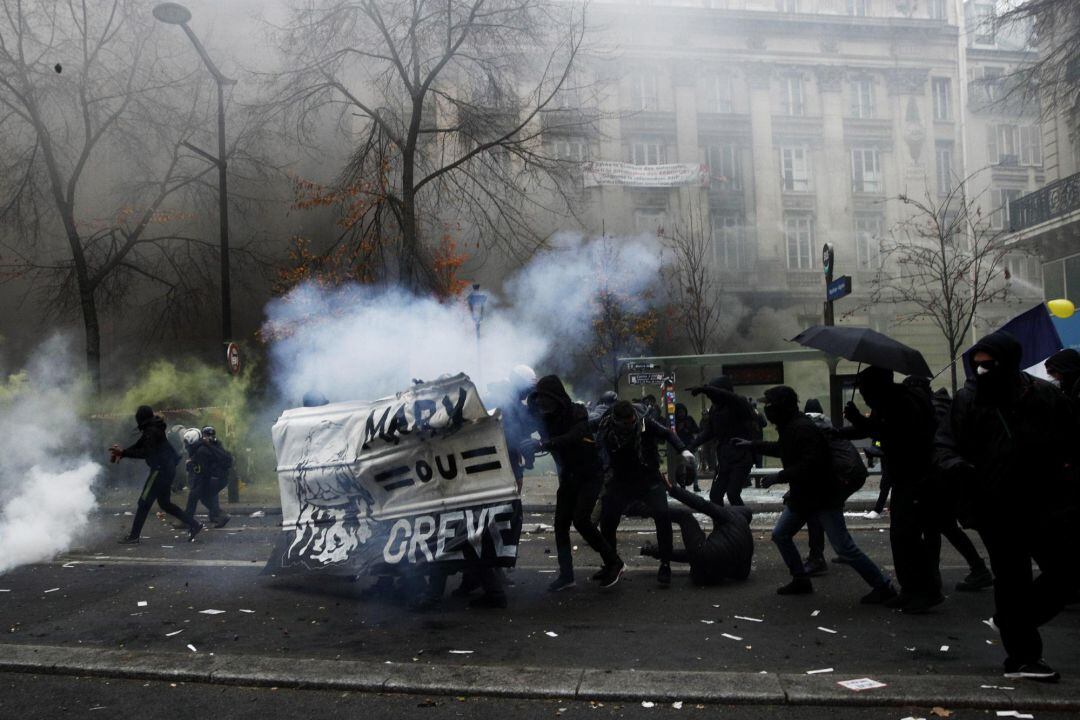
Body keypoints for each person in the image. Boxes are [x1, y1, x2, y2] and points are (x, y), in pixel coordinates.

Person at [936, 330, 1077, 682]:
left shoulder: (1044, 395)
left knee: (1066, 573)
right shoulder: (968, 399)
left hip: (1046, 503)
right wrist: (957, 467)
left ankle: (1014, 620)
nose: (983, 372)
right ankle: (1022, 658)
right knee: (1012, 579)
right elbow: (944, 444)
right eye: (978, 366)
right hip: (995, 506)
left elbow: (1073, 438)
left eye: (989, 365)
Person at [742, 386, 896, 603]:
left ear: (781, 405)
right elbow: (782, 449)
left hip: (822, 496)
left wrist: (780, 476)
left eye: (769, 404)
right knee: (781, 534)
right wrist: (752, 445)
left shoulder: (802, 428)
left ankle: (883, 586)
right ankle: (800, 579)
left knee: (844, 547)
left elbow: (811, 464)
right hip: (805, 495)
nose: (767, 410)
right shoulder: (791, 426)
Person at [840, 366, 942, 613]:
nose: (863, 396)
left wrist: (857, 420)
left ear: (878, 387)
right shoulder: (888, 402)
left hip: (916, 477)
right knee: (900, 536)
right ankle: (909, 589)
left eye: (865, 391)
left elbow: (890, 433)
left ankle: (927, 591)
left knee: (910, 537)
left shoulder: (902, 403)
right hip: (903, 476)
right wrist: (840, 431)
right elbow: (873, 428)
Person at [525, 375, 624, 592]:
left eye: (546, 400)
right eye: (540, 400)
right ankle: (566, 575)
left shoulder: (577, 412)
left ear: (557, 397)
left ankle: (614, 562)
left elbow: (573, 436)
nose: (543, 405)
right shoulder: (543, 417)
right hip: (569, 476)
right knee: (560, 524)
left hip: (590, 474)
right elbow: (521, 422)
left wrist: (544, 443)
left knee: (581, 520)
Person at [596, 400, 696, 588]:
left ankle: (665, 564)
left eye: (632, 421)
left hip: (649, 477)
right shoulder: (605, 426)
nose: (630, 425)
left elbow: (667, 433)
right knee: (607, 519)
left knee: (662, 514)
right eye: (626, 423)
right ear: (616, 421)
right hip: (622, 479)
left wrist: (683, 450)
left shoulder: (644, 423)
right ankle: (611, 563)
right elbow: (588, 434)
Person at [111, 405, 202, 544]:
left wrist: (124, 453)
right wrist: (123, 452)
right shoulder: (154, 428)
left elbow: (146, 452)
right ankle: (194, 524)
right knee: (165, 503)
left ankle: (134, 536)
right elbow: (139, 445)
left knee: (143, 503)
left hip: (160, 470)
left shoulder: (152, 431)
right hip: (167, 469)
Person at [640, 475, 753, 586]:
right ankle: (658, 549)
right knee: (702, 551)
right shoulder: (747, 544)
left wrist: (673, 489)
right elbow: (742, 574)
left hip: (703, 569)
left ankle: (644, 510)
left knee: (685, 516)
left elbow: (703, 505)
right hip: (706, 577)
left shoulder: (731, 516)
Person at [688, 377, 756, 506]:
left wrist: (706, 389)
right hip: (725, 458)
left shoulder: (738, 403)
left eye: (713, 393)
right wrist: (691, 445)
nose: (711, 397)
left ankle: (741, 521)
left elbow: (729, 397)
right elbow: (709, 431)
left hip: (741, 457)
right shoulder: (715, 409)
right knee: (715, 495)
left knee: (733, 494)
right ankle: (721, 523)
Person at [178, 428, 229, 530]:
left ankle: (187, 521)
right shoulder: (201, 448)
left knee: (194, 495)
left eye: (187, 442)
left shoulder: (201, 451)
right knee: (203, 497)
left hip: (214, 478)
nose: (186, 445)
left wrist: (191, 465)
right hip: (218, 478)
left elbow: (203, 470)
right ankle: (221, 516)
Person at [199, 426, 232, 528]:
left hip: (216, 477)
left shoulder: (210, 447)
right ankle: (215, 516)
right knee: (211, 495)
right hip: (221, 477)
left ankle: (220, 515)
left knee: (204, 496)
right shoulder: (218, 444)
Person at [672, 403, 701, 490]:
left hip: (690, 446)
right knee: (681, 467)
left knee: (693, 466)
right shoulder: (674, 421)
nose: (682, 414)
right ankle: (682, 485)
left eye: (683, 411)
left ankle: (696, 485)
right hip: (680, 447)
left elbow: (697, 430)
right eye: (679, 412)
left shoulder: (689, 419)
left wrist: (688, 429)